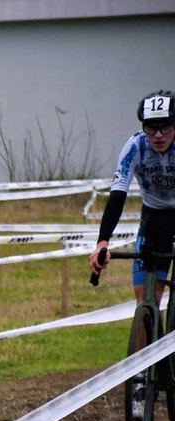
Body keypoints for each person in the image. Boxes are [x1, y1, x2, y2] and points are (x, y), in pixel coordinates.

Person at [90, 90, 175, 303]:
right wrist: (102, 242)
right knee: (145, 297)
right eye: (150, 127)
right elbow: (118, 196)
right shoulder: (135, 147)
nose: (158, 135)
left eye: (165, 126)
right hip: (153, 218)